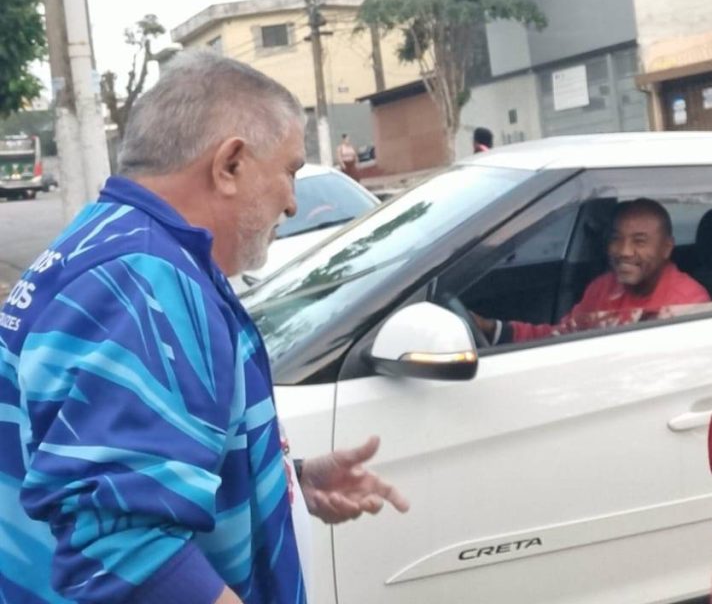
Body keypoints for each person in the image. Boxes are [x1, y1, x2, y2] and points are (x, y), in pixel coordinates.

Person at [0, 52, 408, 604]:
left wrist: (280, 479)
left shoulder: (114, 242)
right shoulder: (144, 281)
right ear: (230, 165)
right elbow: (122, 550)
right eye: (290, 171)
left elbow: (99, 461)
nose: (292, 203)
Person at [473, 198, 710, 345]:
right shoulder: (604, 287)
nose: (624, 251)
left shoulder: (689, 305)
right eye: (616, 239)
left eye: (639, 241)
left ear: (666, 248)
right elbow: (561, 337)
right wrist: (494, 329)